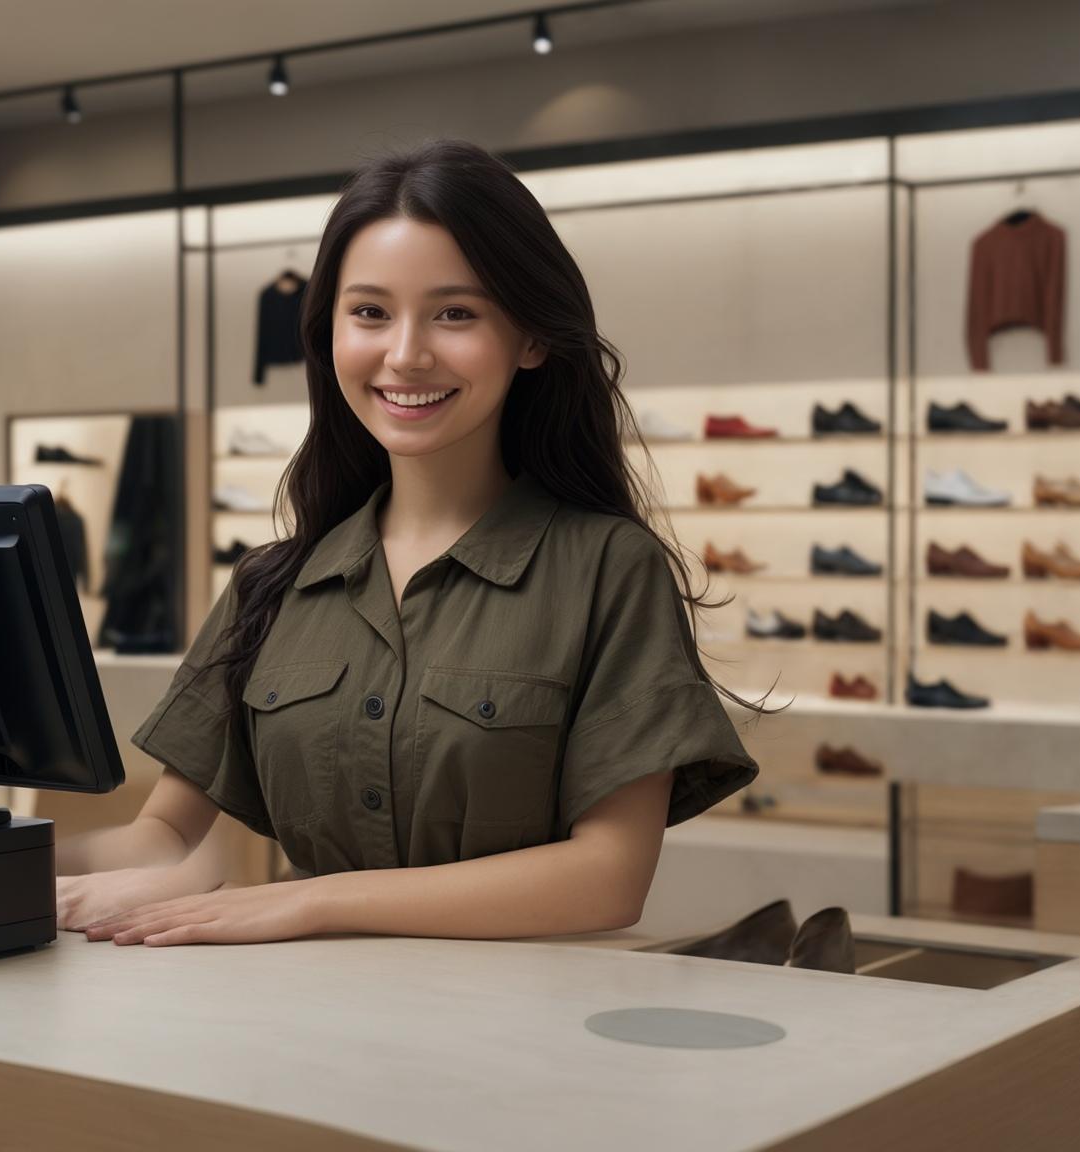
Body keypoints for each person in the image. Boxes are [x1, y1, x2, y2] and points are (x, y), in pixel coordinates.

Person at [55, 139, 758, 947]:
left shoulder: (606, 570)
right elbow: (162, 838)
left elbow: (608, 877)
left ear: (530, 338)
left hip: (527, 1038)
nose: (404, 354)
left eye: (455, 313)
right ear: (329, 336)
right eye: (370, 313)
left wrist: (312, 900)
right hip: (295, 1027)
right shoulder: (272, 585)